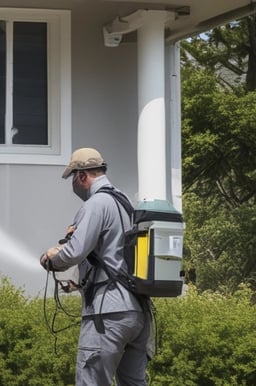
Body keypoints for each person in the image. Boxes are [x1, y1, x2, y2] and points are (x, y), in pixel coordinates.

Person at [39, 147, 151, 386]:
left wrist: (50, 259)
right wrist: (79, 284)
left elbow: (74, 251)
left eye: (73, 179)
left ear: (81, 176)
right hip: (137, 313)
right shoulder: (125, 203)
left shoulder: (96, 204)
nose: (74, 186)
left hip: (107, 315)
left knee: (91, 381)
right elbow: (113, 258)